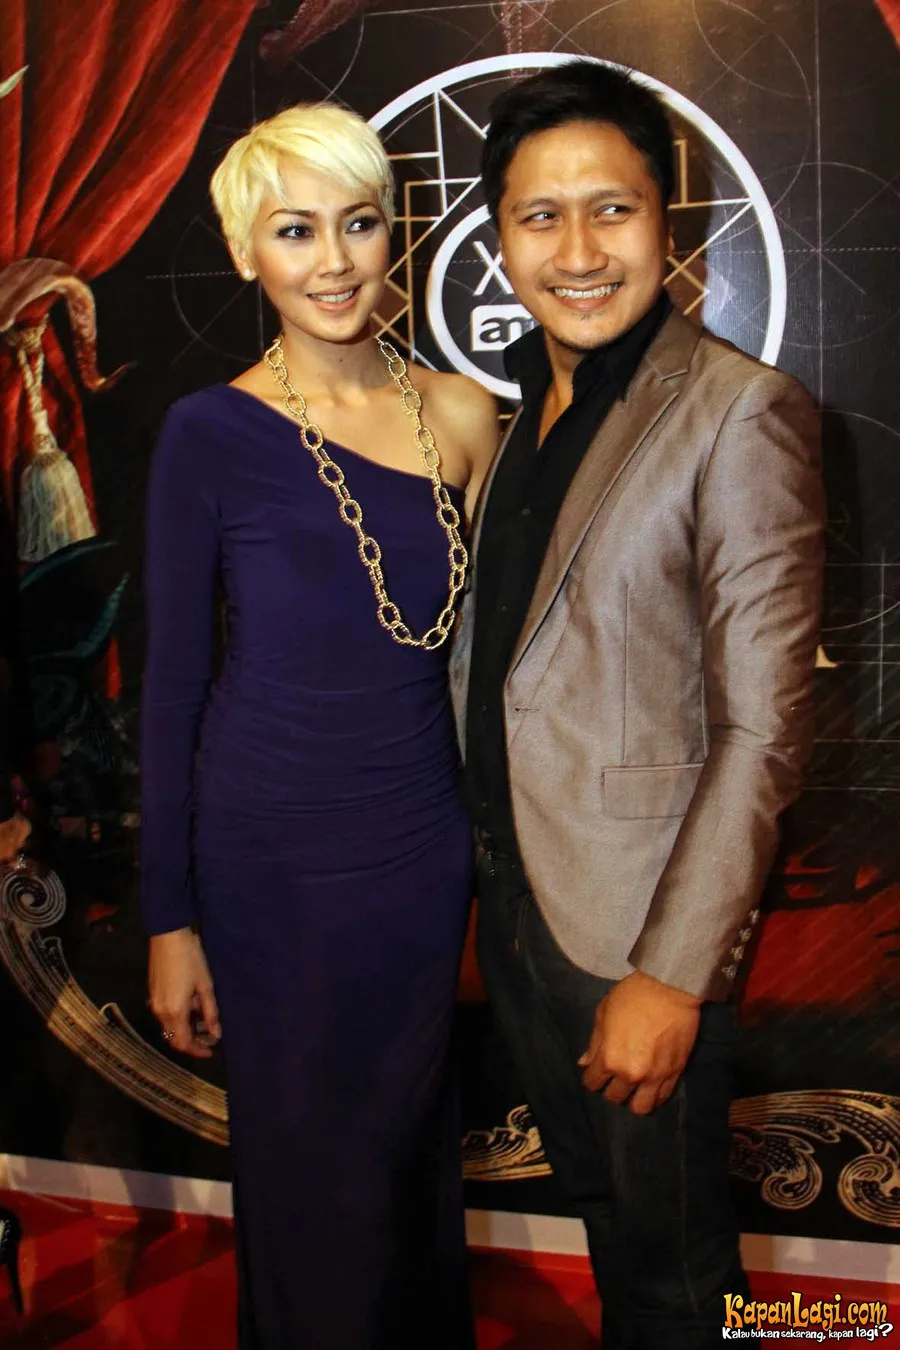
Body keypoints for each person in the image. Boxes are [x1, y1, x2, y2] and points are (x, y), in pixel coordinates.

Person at [451, 61, 824, 1349]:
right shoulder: (520, 417)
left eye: (611, 209)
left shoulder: (741, 412)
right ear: (500, 238)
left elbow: (765, 728)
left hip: (639, 937)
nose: (577, 251)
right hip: (520, 916)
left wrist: (671, 975)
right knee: (615, 1239)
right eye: (540, 216)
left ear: (669, 220)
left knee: (676, 1283)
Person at [141, 103, 496, 1350]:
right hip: (269, 860)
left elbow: (489, 659)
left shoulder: (463, 415)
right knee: (310, 1186)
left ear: (393, 233)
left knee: (404, 1159)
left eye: (358, 223)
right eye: (295, 231)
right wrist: (168, 920)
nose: (335, 261)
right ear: (248, 252)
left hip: (419, 850)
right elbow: (171, 685)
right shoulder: (207, 433)